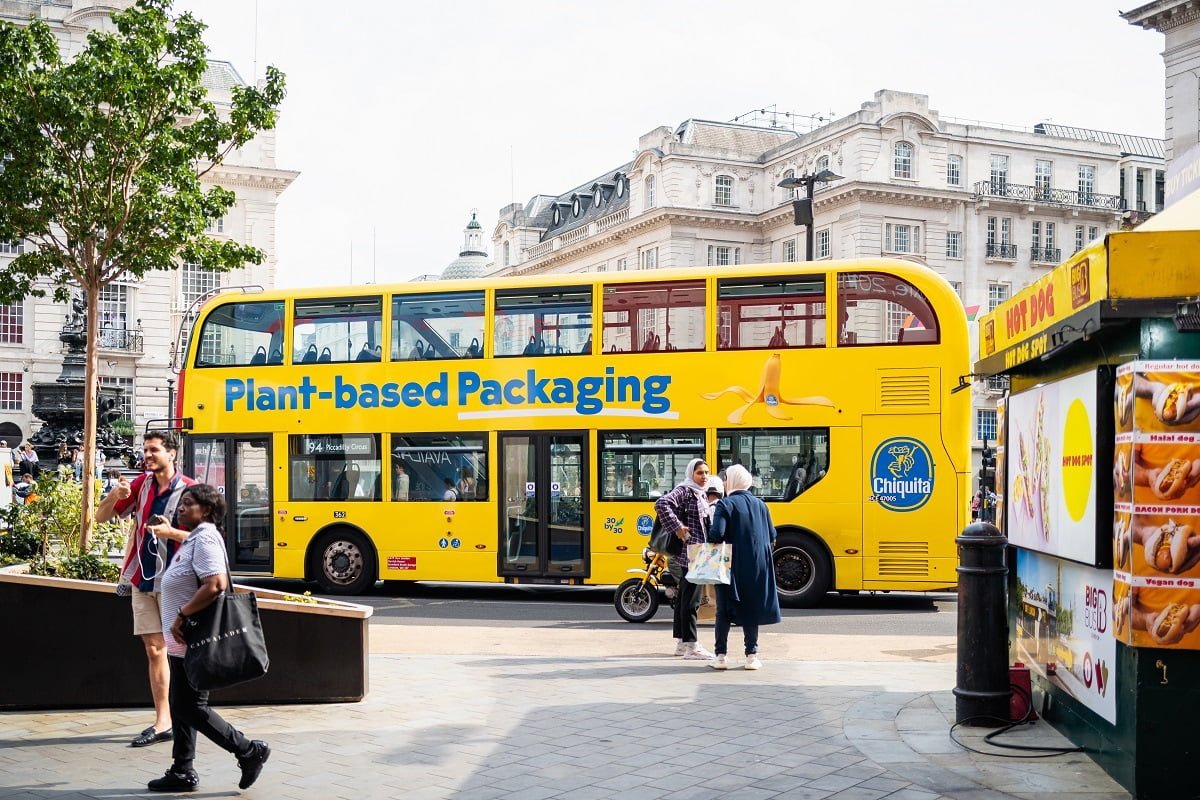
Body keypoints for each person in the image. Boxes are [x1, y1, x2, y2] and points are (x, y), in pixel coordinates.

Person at [145, 484, 270, 792]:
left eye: (189, 504)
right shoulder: (196, 538)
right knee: (182, 705)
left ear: (208, 511)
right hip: (182, 643)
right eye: (182, 504)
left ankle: (247, 750)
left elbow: (215, 583)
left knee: (189, 706)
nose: (181, 508)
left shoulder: (206, 539)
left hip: (193, 638)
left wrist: (183, 614)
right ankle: (182, 771)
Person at [96, 430, 196, 748]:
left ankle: (190, 713)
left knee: (179, 652)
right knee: (154, 650)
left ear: (172, 454)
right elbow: (100, 518)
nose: (147, 455)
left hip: (176, 582)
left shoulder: (191, 491)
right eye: (145, 450)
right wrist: (116, 493)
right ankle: (163, 720)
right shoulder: (139, 485)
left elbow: (207, 538)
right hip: (142, 579)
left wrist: (171, 532)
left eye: (153, 450)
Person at [706, 464, 782, 670]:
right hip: (757, 565)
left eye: (725, 478)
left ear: (731, 481)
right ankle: (751, 656)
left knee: (723, 610)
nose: (723, 482)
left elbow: (716, 534)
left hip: (729, 565)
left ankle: (721, 656)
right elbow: (772, 535)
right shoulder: (761, 505)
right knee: (751, 609)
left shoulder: (725, 504)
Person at [654, 458, 715, 661]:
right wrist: (678, 528)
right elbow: (661, 504)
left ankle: (681, 643)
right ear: (691, 474)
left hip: (698, 552)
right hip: (692, 554)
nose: (704, 476)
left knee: (683, 599)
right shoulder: (685, 490)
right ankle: (692, 646)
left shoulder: (700, 493)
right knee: (692, 601)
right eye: (700, 473)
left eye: (706, 472)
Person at [0, 440, 13, 508]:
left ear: (6, 445)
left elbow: (11, 463)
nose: (2, 445)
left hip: (6, 471)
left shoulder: (9, 452)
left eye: (3, 444)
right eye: (1, 444)